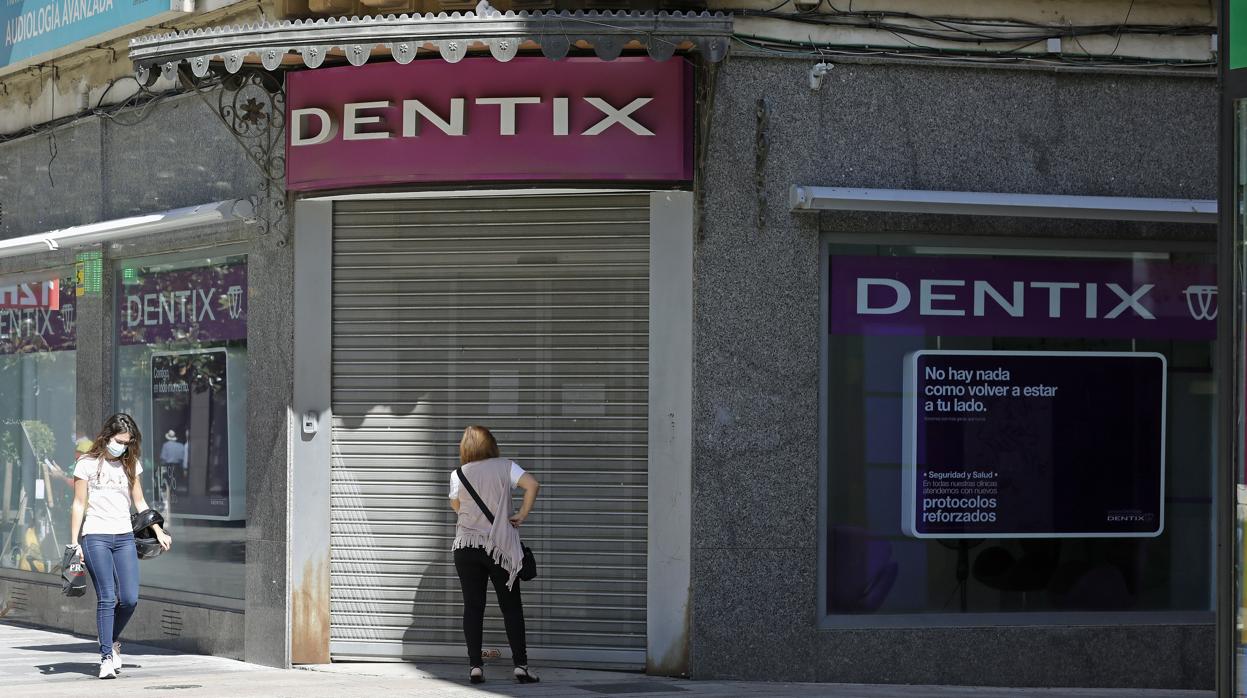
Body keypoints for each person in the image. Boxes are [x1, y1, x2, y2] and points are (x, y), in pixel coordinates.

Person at [69, 413, 172, 679]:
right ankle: (105, 658)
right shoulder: (87, 464)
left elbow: (140, 502)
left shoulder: (130, 464)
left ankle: (111, 640)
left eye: (127, 442)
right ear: (107, 436)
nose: (123, 446)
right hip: (95, 537)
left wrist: (158, 529)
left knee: (129, 598)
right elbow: (79, 504)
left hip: (124, 536)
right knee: (106, 596)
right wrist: (73, 543)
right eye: (119, 441)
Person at [449, 425, 540, 685]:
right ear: (491, 444)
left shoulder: (458, 474)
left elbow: (457, 506)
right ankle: (521, 666)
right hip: (500, 548)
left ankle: (475, 667)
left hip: (466, 548)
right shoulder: (506, 466)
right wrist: (520, 514)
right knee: (511, 607)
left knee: (473, 607)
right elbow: (533, 485)